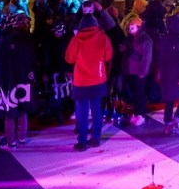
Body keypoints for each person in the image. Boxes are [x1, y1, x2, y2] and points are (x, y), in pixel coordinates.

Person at [65, 14, 113, 152]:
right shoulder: (103, 37)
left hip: (81, 81)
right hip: (98, 79)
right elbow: (108, 56)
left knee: (82, 112)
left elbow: (69, 58)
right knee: (97, 110)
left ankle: (82, 142)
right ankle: (96, 139)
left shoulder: (77, 39)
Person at [0, 12, 36, 148]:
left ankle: (11, 140)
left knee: (10, 111)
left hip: (6, 80)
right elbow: (31, 60)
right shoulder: (26, 39)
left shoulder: (0, 40)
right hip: (24, 79)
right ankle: (21, 137)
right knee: (22, 109)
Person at [158, 12, 179, 135]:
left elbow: (160, 56)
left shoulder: (163, 38)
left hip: (166, 73)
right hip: (177, 74)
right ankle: (175, 122)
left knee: (169, 99)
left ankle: (167, 125)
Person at [119, 16, 153, 126]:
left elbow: (147, 57)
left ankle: (141, 114)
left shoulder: (145, 39)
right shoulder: (129, 39)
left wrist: (143, 71)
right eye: (129, 27)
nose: (130, 29)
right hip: (129, 71)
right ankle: (136, 112)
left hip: (139, 72)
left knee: (140, 93)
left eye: (132, 27)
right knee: (134, 93)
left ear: (139, 27)